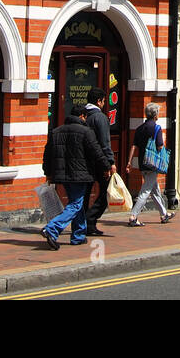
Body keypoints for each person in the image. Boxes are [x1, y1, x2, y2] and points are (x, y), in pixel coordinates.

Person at [41, 104, 111, 249]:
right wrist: (107, 166)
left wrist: (47, 172)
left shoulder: (56, 131)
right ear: (82, 116)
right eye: (85, 117)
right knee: (76, 204)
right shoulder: (86, 132)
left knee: (76, 202)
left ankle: (78, 235)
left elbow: (47, 153)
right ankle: (52, 228)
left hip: (63, 174)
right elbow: (96, 151)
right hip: (80, 174)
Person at [124, 102, 174, 226]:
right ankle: (133, 216)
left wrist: (129, 162)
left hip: (142, 163)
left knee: (155, 190)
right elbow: (159, 146)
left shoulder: (140, 128)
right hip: (152, 164)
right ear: (155, 115)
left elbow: (134, 146)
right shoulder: (157, 128)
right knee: (145, 191)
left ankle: (164, 214)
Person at [82, 87, 117, 235]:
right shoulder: (100, 117)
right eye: (103, 101)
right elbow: (104, 142)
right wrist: (110, 162)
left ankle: (83, 224)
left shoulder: (82, 115)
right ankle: (90, 220)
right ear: (99, 101)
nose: (104, 104)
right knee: (106, 193)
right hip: (99, 161)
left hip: (83, 160)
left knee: (84, 194)